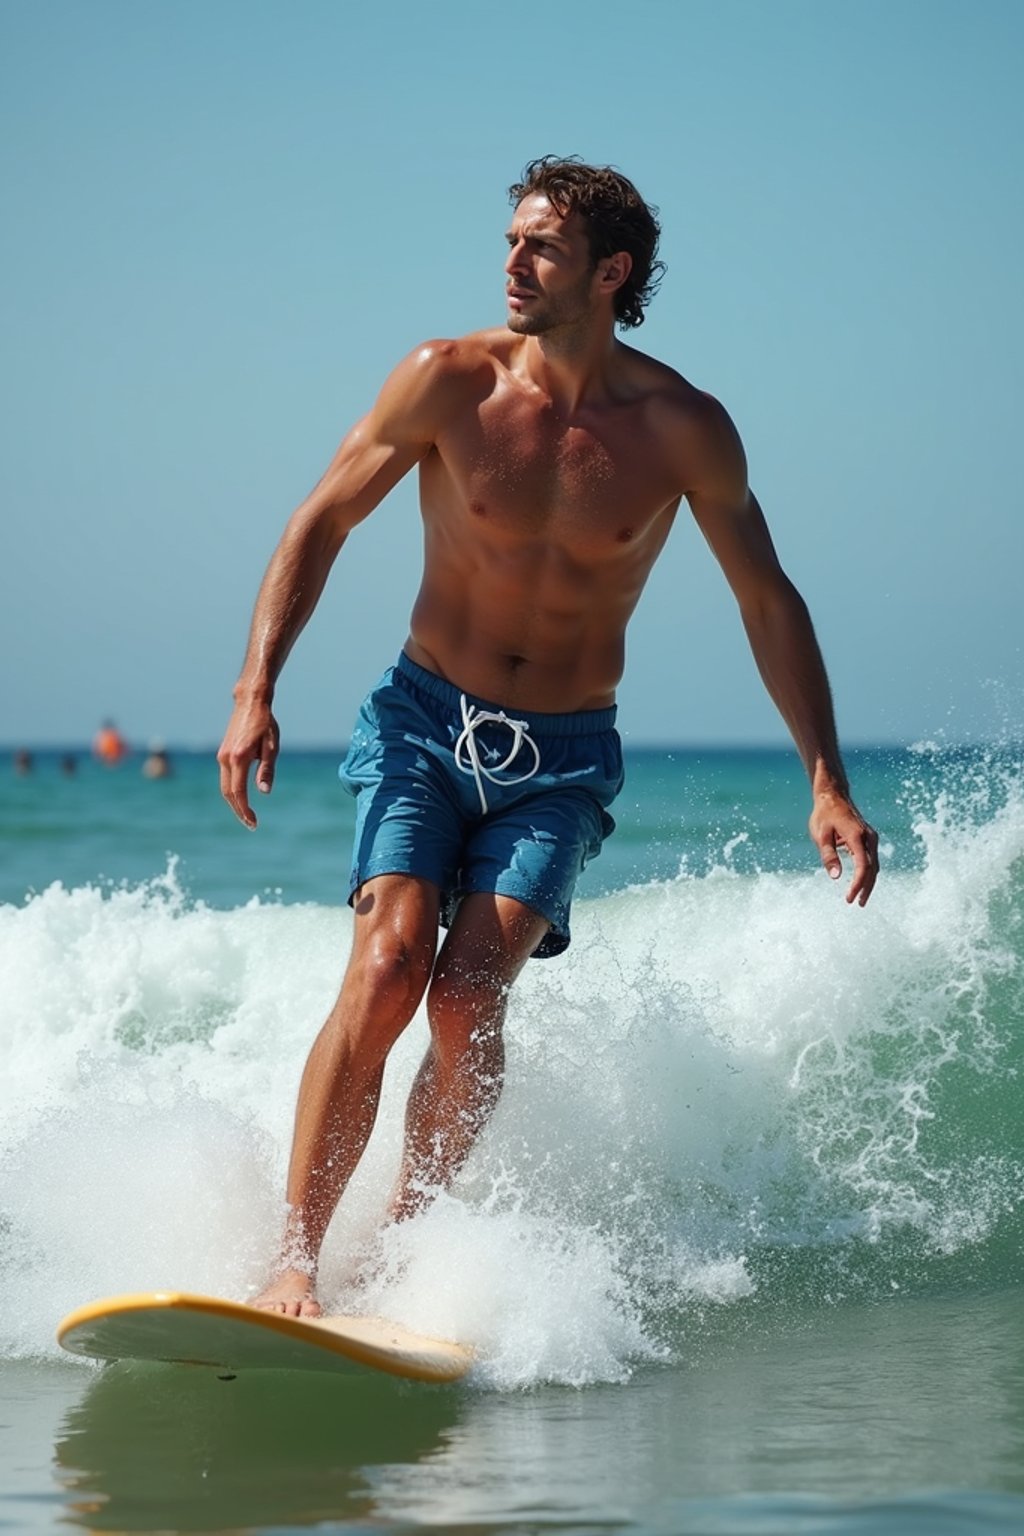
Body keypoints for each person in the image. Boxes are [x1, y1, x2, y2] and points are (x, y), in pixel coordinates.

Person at [218, 156, 878, 1317]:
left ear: (610, 274)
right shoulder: (446, 380)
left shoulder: (683, 429)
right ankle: (295, 1258)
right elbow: (319, 518)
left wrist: (824, 779)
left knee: (469, 992)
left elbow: (767, 599)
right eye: (513, 240)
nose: (513, 264)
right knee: (385, 972)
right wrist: (254, 686)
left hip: (562, 756)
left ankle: (410, 1251)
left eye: (543, 248)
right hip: (423, 722)